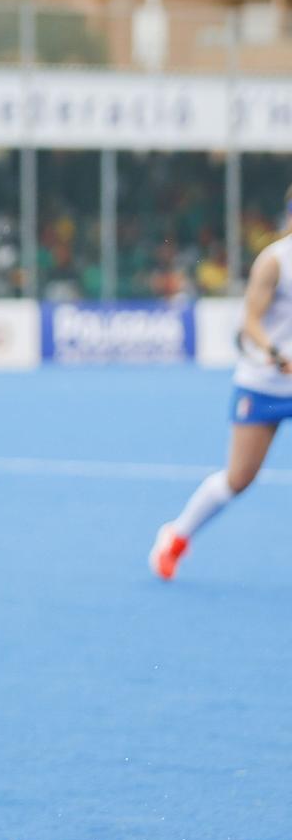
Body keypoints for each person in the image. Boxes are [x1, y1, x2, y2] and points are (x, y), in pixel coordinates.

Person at [150, 192, 292, 581]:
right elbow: (250, 321)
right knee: (239, 478)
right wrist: (277, 353)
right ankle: (176, 536)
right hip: (265, 382)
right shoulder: (276, 261)